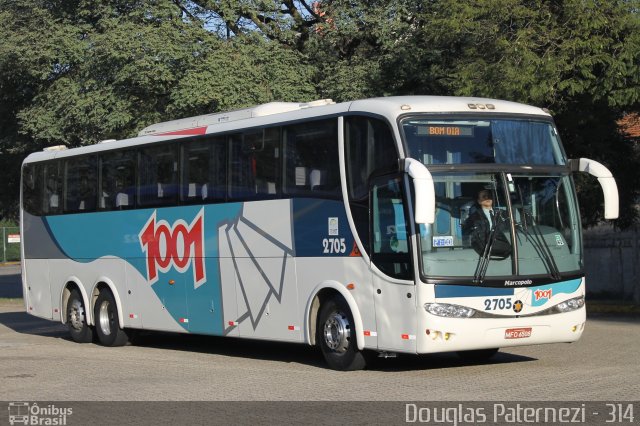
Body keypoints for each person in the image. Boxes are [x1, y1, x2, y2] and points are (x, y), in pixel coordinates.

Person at [462, 189, 511, 258]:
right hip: (485, 254)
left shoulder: (504, 214)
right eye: (484, 196)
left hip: (506, 252)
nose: (487, 198)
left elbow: (511, 231)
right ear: (479, 201)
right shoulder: (474, 218)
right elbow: (474, 237)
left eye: (489, 196)